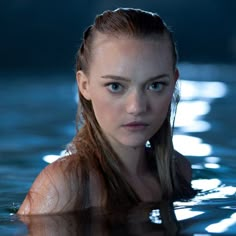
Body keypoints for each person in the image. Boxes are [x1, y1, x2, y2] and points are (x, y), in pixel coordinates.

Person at [17, 8, 196, 215]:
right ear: (85, 86)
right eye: (115, 86)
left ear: (173, 83)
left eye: (155, 85)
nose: (137, 107)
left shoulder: (178, 171)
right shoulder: (66, 186)